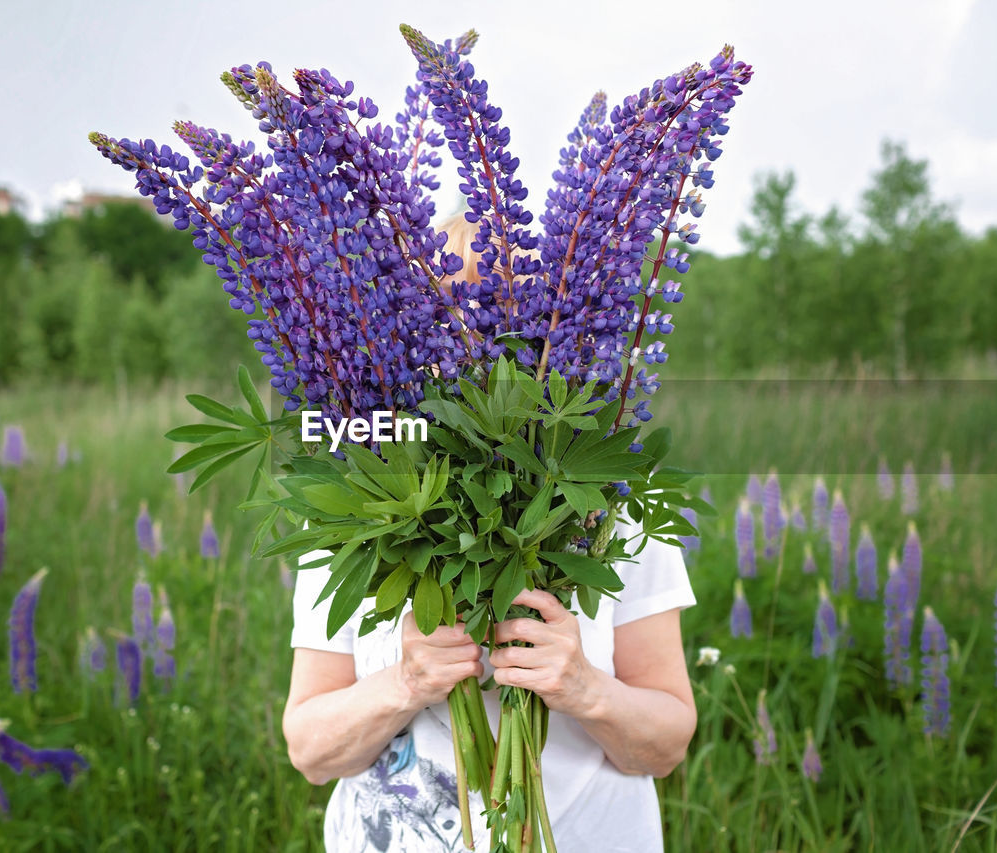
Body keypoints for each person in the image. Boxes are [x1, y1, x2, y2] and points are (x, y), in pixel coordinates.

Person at [281, 212, 699, 852]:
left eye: (503, 324)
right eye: (452, 323)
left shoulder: (609, 500)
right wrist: (407, 683)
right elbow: (310, 753)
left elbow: (666, 745)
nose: (478, 349)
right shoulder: (352, 505)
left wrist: (585, 689)